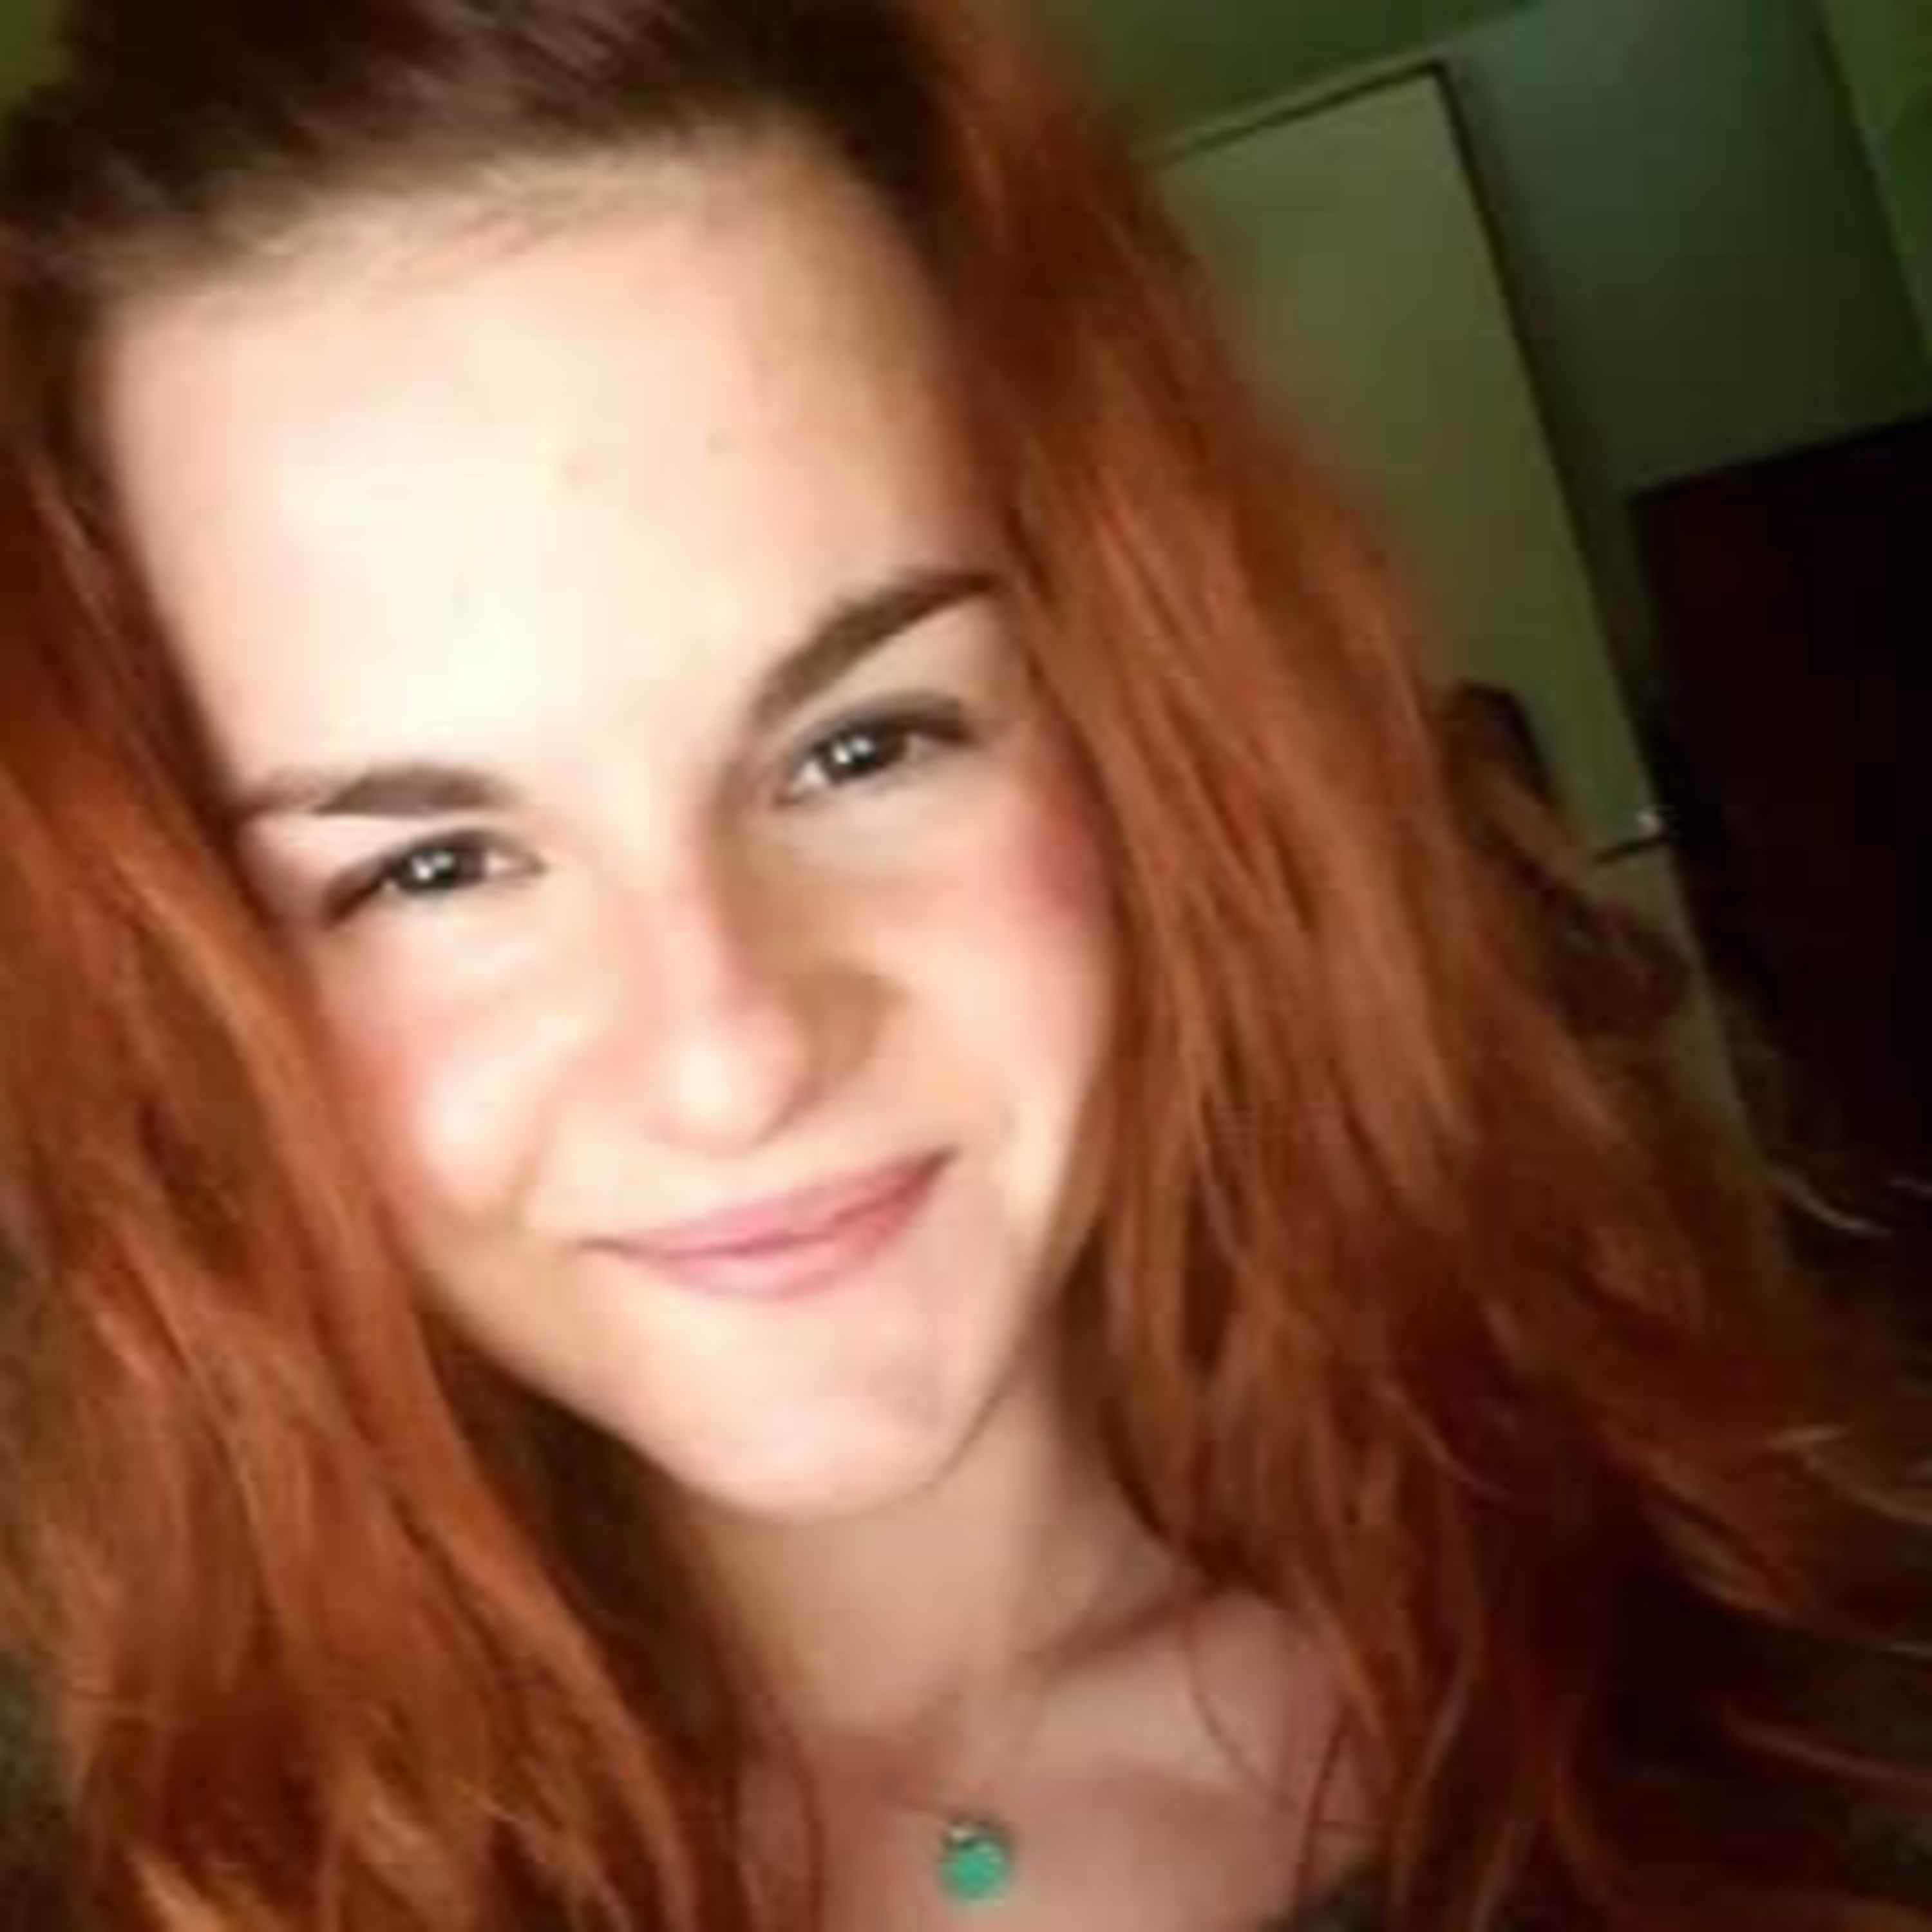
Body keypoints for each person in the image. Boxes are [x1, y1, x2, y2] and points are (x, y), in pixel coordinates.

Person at [0, 1, 1927, 1927]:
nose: (733, 1056)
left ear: (1159, 729)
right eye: (434, 868)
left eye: (864, 747)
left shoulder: (1814, 1748)